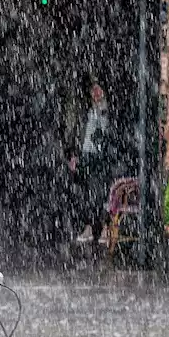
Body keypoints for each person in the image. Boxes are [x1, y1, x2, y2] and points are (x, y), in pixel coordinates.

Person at [70, 79, 119, 245]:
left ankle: (103, 227)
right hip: (87, 157)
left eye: (99, 90)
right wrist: (75, 155)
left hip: (101, 159)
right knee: (87, 195)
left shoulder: (108, 112)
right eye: (93, 90)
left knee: (101, 194)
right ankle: (90, 227)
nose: (96, 94)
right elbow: (80, 134)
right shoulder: (87, 112)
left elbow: (107, 134)